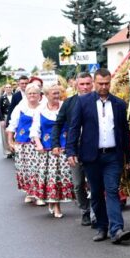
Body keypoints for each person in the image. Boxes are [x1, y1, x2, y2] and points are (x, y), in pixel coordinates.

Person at [66, 68, 130, 244]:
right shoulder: (83, 102)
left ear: (110, 82)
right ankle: (102, 227)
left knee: (112, 190)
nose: (103, 87)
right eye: (100, 83)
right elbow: (74, 128)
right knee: (96, 193)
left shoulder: (119, 104)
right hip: (91, 156)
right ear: (95, 83)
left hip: (113, 156)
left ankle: (117, 229)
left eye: (106, 83)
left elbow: (124, 132)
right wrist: (71, 151)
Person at [52, 72, 94, 226]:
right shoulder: (69, 103)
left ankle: (96, 211)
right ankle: (85, 210)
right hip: (74, 150)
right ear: (76, 84)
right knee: (77, 184)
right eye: (82, 84)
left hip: (93, 149)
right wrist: (55, 143)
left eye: (88, 84)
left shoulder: (98, 101)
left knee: (94, 182)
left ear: (92, 84)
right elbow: (58, 124)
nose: (85, 87)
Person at [30, 84, 74, 218]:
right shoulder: (40, 110)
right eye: (54, 93)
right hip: (47, 150)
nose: (57, 96)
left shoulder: (66, 107)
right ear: (47, 95)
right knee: (50, 179)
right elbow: (35, 130)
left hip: (63, 148)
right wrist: (38, 145)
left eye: (58, 93)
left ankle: (54, 202)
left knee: (60, 179)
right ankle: (55, 206)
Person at [6, 82, 44, 203]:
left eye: (35, 93)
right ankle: (29, 192)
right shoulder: (20, 108)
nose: (32, 95)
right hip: (23, 143)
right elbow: (12, 125)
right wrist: (10, 141)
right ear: (26, 95)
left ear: (39, 95)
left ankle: (39, 194)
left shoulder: (43, 107)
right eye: (30, 93)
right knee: (25, 168)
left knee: (39, 169)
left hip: (39, 143)